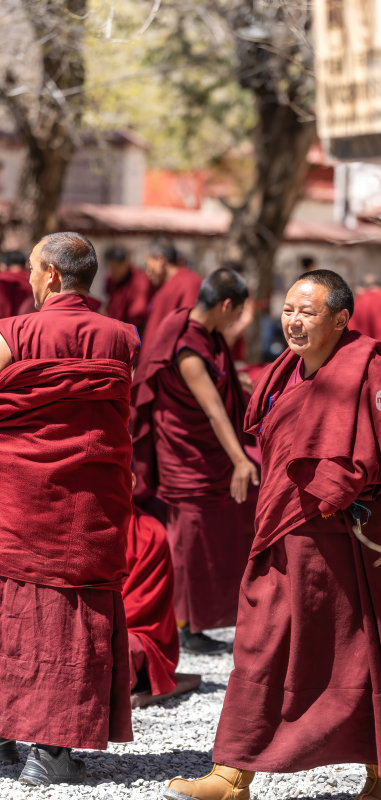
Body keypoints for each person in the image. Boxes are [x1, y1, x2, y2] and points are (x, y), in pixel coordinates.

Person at [162, 269, 381, 800]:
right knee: (260, 642)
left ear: (341, 319)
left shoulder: (373, 375)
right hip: (285, 534)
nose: (294, 321)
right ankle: (232, 772)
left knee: (365, 650)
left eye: (308, 312)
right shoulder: (284, 370)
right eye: (288, 309)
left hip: (350, 542)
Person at [0, 232, 140, 785]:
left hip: (20, 498)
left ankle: (7, 738)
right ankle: (51, 753)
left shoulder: (14, 331)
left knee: (12, 609)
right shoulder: (122, 337)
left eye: (35, 270)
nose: (31, 280)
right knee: (72, 617)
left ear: (53, 275)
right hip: (90, 505)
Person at [131, 268, 258, 655]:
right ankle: (182, 621)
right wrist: (239, 460)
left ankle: (200, 616)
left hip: (203, 450)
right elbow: (214, 410)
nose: (236, 321)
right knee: (187, 535)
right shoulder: (187, 349)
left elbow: (218, 380)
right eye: (236, 313)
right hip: (188, 454)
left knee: (208, 531)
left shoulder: (196, 328)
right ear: (224, 305)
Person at [124, 500, 201, 708]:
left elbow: (140, 609)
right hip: (75, 628)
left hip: (125, 630)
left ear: (130, 480)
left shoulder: (149, 532)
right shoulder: (69, 521)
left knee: (115, 651)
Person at [142, 236, 201, 344]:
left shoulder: (189, 282)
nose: (147, 272)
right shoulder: (164, 286)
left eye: (149, 265)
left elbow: (189, 329)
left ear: (160, 260)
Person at [104, 244, 153, 332]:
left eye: (116, 267)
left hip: (133, 330)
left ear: (126, 263)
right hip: (114, 326)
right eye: (111, 268)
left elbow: (138, 312)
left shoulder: (139, 280)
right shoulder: (112, 280)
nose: (113, 272)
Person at [0, 250, 32, 317]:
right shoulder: (33, 281)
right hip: (29, 324)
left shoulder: (2, 280)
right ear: (26, 265)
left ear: (3, 266)